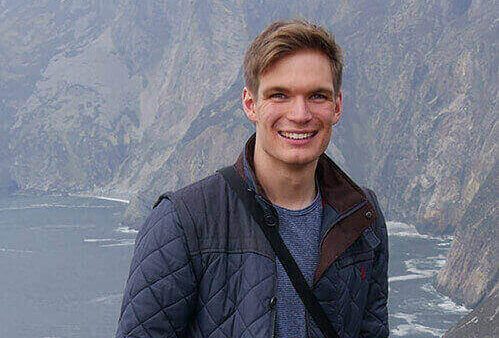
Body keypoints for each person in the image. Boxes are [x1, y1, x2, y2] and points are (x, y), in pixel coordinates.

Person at [115, 19, 389, 338]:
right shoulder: (183, 221)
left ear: (337, 106)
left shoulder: (362, 216)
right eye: (279, 95)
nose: (300, 114)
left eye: (317, 96)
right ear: (250, 104)